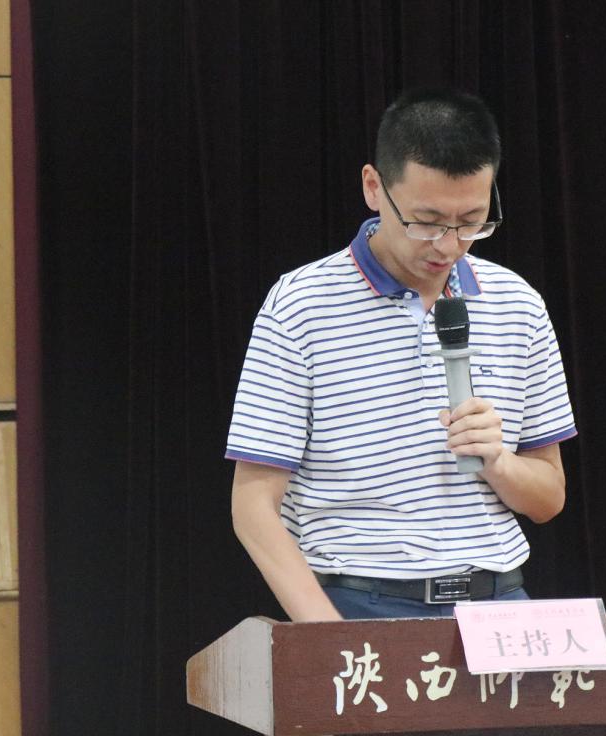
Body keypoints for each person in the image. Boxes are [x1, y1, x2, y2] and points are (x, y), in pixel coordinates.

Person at [226, 88, 577, 621]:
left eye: (472, 221)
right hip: (358, 603)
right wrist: (328, 637)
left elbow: (549, 498)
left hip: (499, 603)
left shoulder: (518, 304)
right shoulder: (301, 305)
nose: (448, 245)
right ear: (374, 187)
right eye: (426, 221)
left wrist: (499, 461)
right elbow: (253, 506)